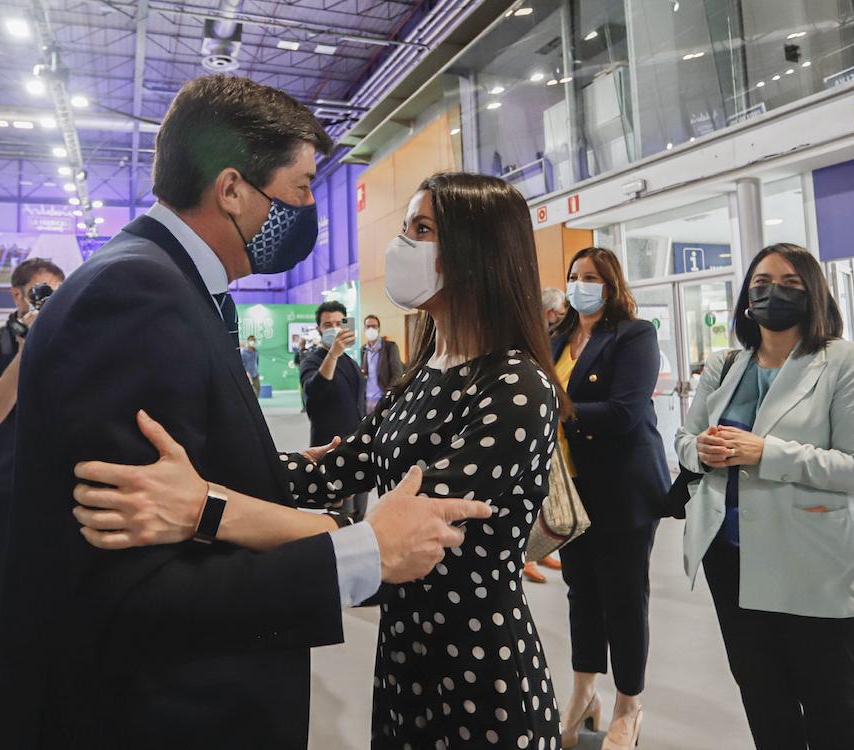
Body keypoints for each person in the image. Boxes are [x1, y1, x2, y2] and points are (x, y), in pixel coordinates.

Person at [0, 76, 491, 750]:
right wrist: (359, 552)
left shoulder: (163, 284)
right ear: (231, 190)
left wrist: (260, 475)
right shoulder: (138, 297)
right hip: (155, 714)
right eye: (304, 185)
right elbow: (133, 588)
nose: (310, 207)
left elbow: (182, 485)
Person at [71, 172, 570, 750]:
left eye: (422, 229)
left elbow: (418, 534)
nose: (401, 243)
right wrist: (198, 465)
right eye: (405, 225)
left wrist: (207, 508)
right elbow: (330, 471)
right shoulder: (425, 375)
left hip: (482, 661)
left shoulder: (515, 385)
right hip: (408, 648)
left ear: (476, 249)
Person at [676, 243, 854, 750]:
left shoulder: (847, 362)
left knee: (832, 708)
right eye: (762, 283)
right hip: (729, 559)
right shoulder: (726, 365)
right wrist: (703, 451)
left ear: (814, 294)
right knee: (764, 702)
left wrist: (764, 452)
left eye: (791, 284)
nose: (773, 293)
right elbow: (685, 442)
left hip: (814, 562)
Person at [551, 247, 669, 750]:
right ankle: (583, 692)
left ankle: (628, 704)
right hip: (571, 491)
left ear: (612, 284)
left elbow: (624, 412)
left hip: (624, 489)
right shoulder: (556, 337)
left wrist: (556, 407)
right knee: (582, 593)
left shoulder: (635, 335)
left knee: (623, 597)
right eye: (575, 276)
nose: (582, 284)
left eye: (592, 277)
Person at [0, 257, 65, 750]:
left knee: (65, 595)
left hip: (65, 490)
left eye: (57, 294)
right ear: (17, 296)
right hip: (5, 490)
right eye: (40, 293)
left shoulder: (75, 339)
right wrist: (30, 346)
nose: (47, 302)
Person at [301, 300, 367, 519]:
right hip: (331, 448)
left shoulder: (349, 360)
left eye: (339, 323)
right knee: (340, 516)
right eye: (328, 324)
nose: (334, 328)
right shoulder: (313, 360)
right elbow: (315, 389)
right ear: (319, 328)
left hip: (357, 446)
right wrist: (333, 354)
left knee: (361, 512)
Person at [522, 288, 570, 585]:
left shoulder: (554, 336)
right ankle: (525, 557)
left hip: (549, 426)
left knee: (545, 496)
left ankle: (540, 550)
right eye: (560, 311)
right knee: (530, 494)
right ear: (550, 312)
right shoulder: (531, 333)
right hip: (532, 422)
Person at [359, 313, 403, 414]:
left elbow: (397, 373)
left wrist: (387, 395)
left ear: (378, 329)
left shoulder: (390, 347)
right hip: (367, 400)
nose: (371, 329)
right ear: (364, 329)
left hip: (382, 398)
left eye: (373, 326)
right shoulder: (363, 350)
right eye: (368, 326)